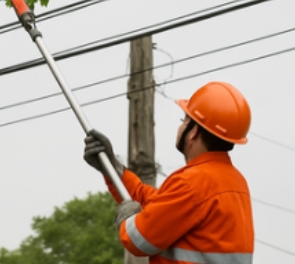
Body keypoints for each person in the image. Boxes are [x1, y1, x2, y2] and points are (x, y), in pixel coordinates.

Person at [83, 81, 254, 264]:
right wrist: (113, 170)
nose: (180, 126)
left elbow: (137, 239)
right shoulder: (235, 182)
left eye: (184, 120)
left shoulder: (192, 183)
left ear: (193, 132)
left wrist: (127, 216)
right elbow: (159, 206)